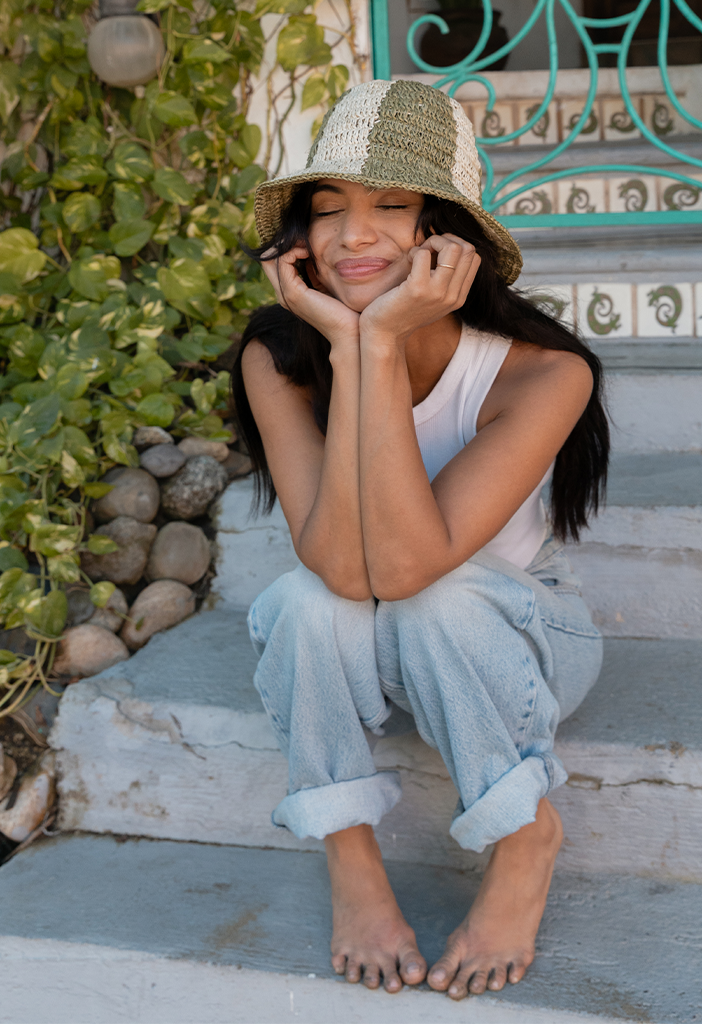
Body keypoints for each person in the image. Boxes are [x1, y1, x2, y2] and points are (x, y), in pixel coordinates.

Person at [230, 78, 610, 1001]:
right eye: (328, 212)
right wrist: (358, 347)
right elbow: (345, 570)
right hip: (371, 638)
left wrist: (377, 343)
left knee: (436, 593)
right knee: (302, 599)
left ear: (450, 236)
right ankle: (351, 860)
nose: (353, 236)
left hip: (513, 639)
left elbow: (404, 568)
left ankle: (526, 837)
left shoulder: (543, 374)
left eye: (391, 207)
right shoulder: (278, 358)